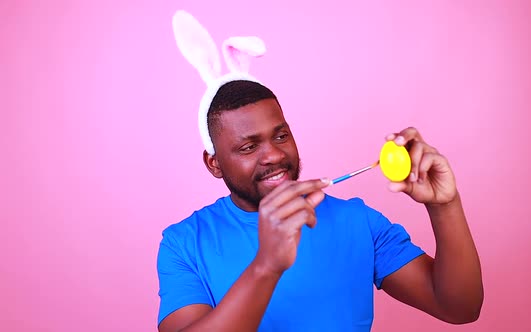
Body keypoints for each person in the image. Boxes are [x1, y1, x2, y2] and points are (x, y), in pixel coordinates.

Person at [157, 10, 483, 332]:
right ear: (214, 163)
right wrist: (266, 266)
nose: (273, 153)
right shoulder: (184, 243)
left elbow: (459, 307)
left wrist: (444, 205)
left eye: (281, 135)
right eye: (248, 146)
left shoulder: (358, 221)